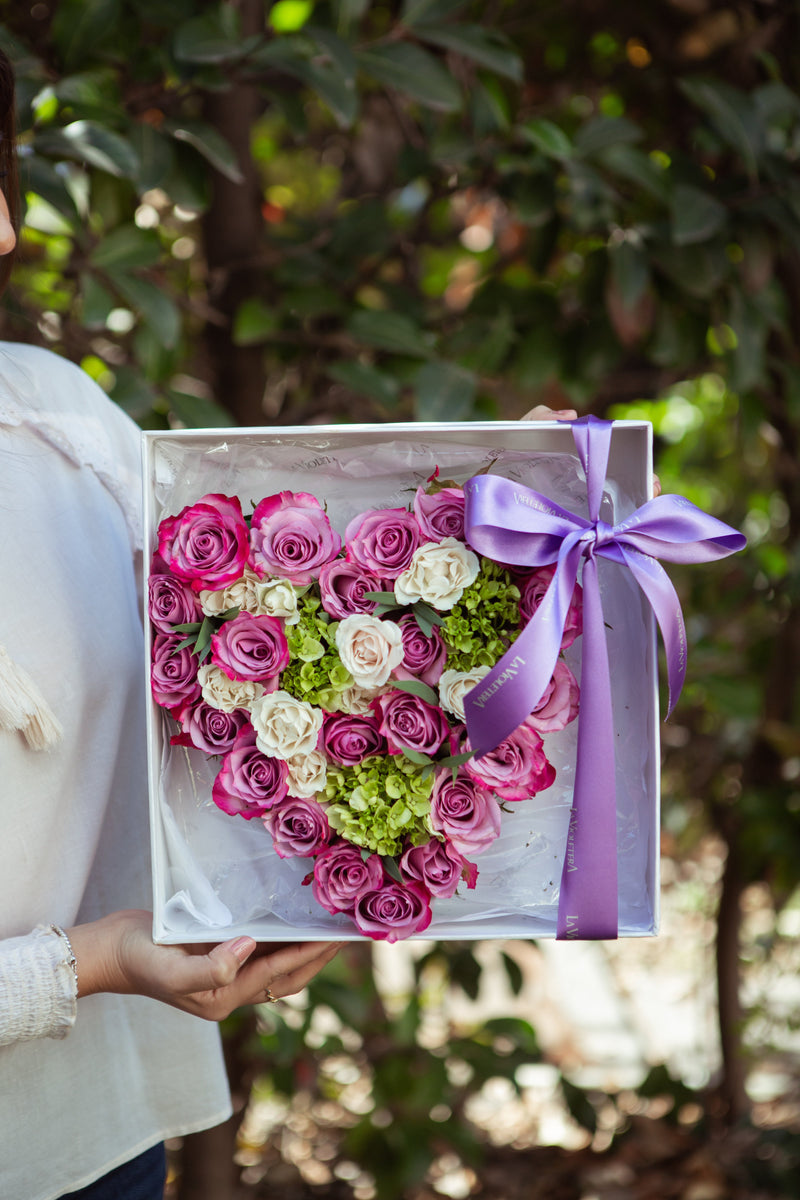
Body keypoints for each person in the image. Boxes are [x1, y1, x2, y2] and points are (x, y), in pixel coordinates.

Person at [0, 48, 340, 1200]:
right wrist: (94, 962)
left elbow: (286, 612)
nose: (4, 233)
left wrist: (500, 516)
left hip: (95, 1136)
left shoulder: (49, 414)